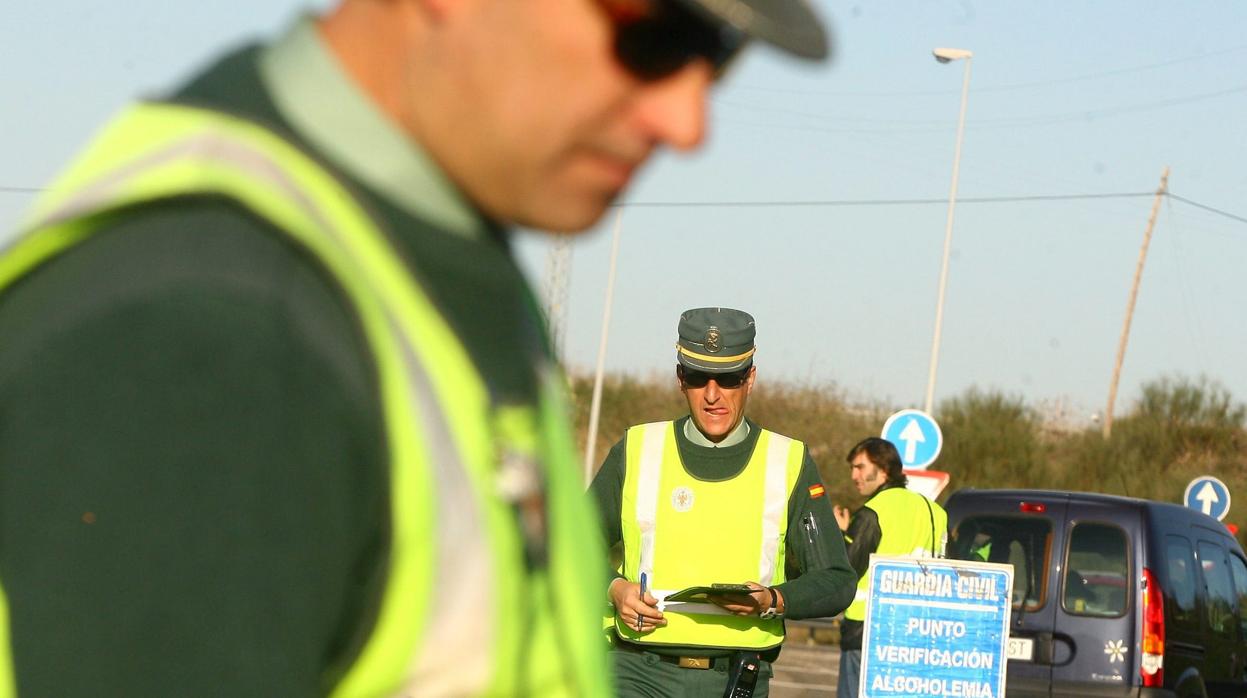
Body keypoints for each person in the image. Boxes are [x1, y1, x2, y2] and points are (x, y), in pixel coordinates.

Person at [0, 0, 832, 694]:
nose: (686, 123)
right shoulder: (214, 333)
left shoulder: (425, 270)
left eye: (715, 61)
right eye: (648, 38)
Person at [590, 307, 856, 697]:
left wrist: (773, 599)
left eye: (728, 379)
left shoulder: (789, 460)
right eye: (698, 378)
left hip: (737, 678)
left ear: (750, 378)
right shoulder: (635, 449)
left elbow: (836, 579)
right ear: (681, 379)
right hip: (636, 672)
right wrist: (614, 588)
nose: (712, 395)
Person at [832, 437, 949, 698]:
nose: (854, 475)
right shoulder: (935, 512)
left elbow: (846, 571)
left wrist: (842, 535)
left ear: (883, 469)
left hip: (866, 631)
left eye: (860, 467)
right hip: (918, 632)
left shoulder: (872, 512)